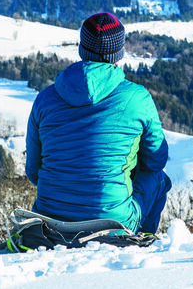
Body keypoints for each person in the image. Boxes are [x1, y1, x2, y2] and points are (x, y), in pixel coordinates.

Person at [26, 12, 170, 233]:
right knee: (159, 180)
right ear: (118, 53)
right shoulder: (138, 98)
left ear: (82, 47)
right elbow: (155, 162)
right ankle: (141, 242)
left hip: (50, 217)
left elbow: (34, 172)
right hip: (114, 219)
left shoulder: (44, 99)